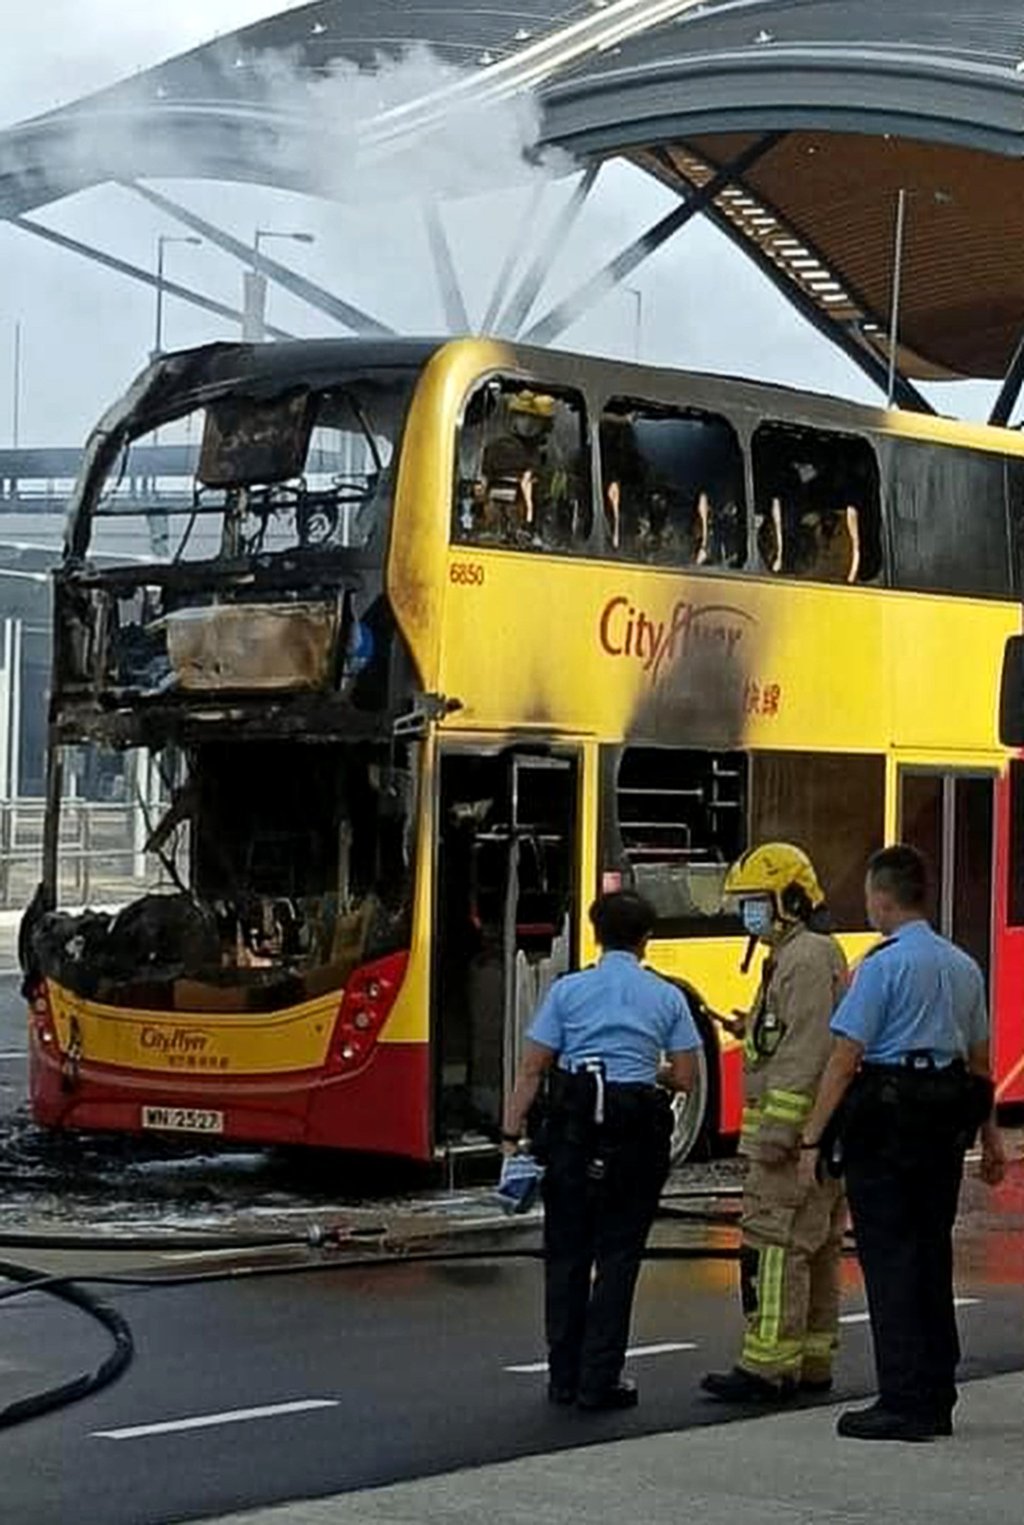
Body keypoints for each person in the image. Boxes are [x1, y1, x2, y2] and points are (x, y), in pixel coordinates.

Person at [799, 845, 1007, 1442]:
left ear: (883, 898)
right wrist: (991, 1141)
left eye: (868, 895)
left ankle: (902, 1401)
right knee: (930, 1253)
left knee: (890, 1259)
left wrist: (814, 1136)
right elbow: (979, 1064)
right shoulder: (963, 965)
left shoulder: (882, 966)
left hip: (888, 1122)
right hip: (945, 1122)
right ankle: (937, 1392)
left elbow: (845, 1058)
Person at [501, 890, 700, 1411]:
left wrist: (510, 1136)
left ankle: (562, 1377)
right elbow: (684, 1077)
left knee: (566, 1255)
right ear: (645, 940)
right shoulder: (666, 996)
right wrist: (640, 1070)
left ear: (595, 935)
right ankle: (600, 1379)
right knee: (618, 1258)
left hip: (573, 1133)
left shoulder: (569, 992)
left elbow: (532, 1068)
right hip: (635, 1136)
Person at [701, 843, 849, 1405]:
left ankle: (766, 1366)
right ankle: (811, 1360)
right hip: (819, 1137)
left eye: (756, 903)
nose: (749, 915)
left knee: (774, 1246)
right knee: (816, 1248)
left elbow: (804, 1054)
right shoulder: (806, 953)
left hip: (789, 1147)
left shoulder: (805, 958)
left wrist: (781, 1135)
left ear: (789, 899)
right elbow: (790, 1035)